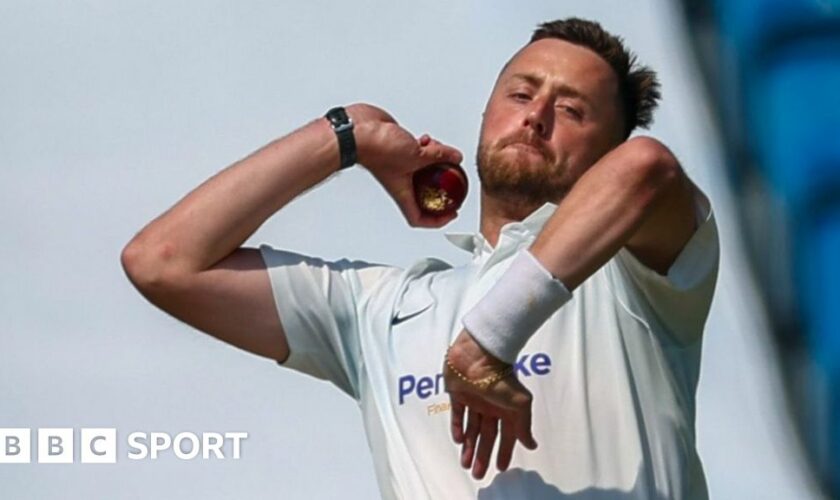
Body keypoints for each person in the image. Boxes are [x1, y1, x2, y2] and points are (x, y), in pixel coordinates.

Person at [121, 17, 719, 500]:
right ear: (486, 116)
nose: (535, 116)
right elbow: (163, 262)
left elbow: (648, 170)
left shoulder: (634, 278)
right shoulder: (382, 308)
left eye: (571, 111)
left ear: (604, 154)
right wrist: (348, 134)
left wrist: (488, 339)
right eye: (520, 93)